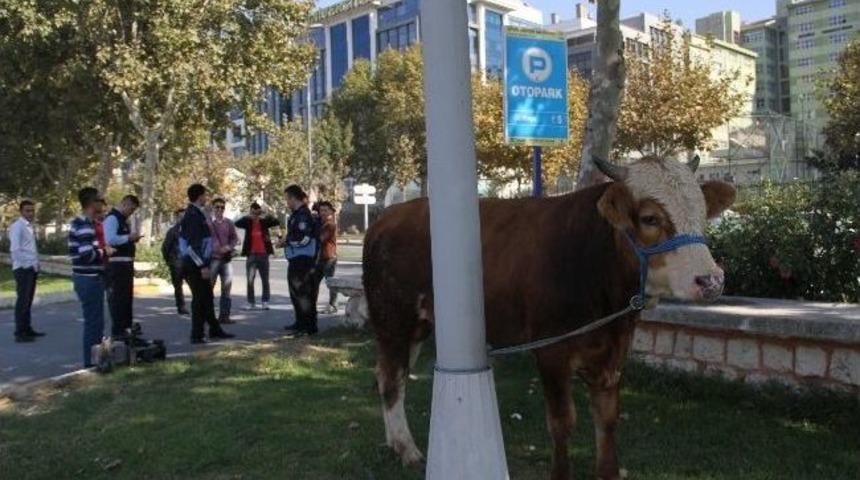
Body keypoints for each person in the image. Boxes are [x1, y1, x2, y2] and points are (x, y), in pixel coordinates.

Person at [179, 183, 234, 344]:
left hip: (202, 262)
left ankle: (215, 329)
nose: (206, 198)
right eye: (204, 195)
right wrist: (202, 265)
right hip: (195, 264)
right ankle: (197, 334)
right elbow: (191, 246)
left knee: (207, 297)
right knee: (199, 299)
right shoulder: (192, 216)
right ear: (199, 196)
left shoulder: (198, 213)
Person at [68, 187, 112, 367]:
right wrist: (104, 251)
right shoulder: (85, 224)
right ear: (92, 203)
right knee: (94, 323)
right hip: (89, 278)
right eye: (99, 201)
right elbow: (86, 254)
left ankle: (95, 360)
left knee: (94, 321)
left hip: (85, 277)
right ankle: (92, 363)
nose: (102, 205)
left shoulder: (82, 222)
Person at [282, 185, 320, 336]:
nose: (287, 202)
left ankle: (308, 327)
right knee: (295, 293)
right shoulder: (296, 214)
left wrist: (287, 242)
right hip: (295, 258)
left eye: (287, 199)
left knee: (303, 293)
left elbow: (304, 239)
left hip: (303, 260)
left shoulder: (303, 215)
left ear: (293, 198)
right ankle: (300, 323)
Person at [104, 195, 143, 337]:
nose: (131, 212)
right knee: (119, 300)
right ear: (124, 204)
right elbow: (110, 239)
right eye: (131, 209)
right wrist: (128, 238)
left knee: (126, 300)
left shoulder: (123, 220)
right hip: (117, 265)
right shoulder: (113, 218)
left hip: (125, 264)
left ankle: (126, 331)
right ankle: (119, 333)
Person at [8, 199, 45, 342]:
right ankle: (20, 332)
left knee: (28, 300)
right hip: (23, 269)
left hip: (32, 267)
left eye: (32, 210)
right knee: (23, 301)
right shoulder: (18, 226)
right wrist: (26, 265)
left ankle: (27, 329)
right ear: (21, 211)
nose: (30, 213)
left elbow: (30, 248)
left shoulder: (29, 226)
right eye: (27, 210)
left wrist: (35, 264)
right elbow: (15, 249)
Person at [235, 202, 279, 310]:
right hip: (251, 255)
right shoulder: (248, 222)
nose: (255, 215)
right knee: (250, 280)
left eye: (257, 213)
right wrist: (248, 216)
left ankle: (265, 301)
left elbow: (276, 221)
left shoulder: (264, 222)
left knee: (265, 279)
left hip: (263, 254)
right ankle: (251, 302)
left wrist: (265, 212)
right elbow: (237, 223)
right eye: (253, 213)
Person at [209, 197, 239, 324]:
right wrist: (215, 249)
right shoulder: (209, 223)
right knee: (208, 288)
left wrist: (229, 246)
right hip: (213, 259)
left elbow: (235, 238)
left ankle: (224, 316)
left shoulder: (229, 223)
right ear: (213, 208)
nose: (220, 209)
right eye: (217, 207)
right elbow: (205, 240)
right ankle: (208, 316)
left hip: (226, 260)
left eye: (222, 207)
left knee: (226, 289)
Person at [161, 208, 188, 315]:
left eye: (184, 216)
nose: (183, 219)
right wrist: (170, 261)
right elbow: (165, 248)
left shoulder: (191, 230)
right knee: (178, 286)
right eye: (180, 216)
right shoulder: (172, 231)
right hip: (176, 263)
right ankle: (181, 306)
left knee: (195, 285)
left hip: (189, 263)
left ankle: (199, 306)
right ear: (177, 217)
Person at [315, 201, 339, 314]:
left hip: (329, 257)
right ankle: (311, 304)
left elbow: (321, 239)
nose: (323, 213)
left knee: (330, 282)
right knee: (314, 281)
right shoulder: (320, 224)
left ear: (330, 212)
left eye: (325, 210)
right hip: (319, 258)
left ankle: (333, 305)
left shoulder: (330, 225)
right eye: (321, 210)